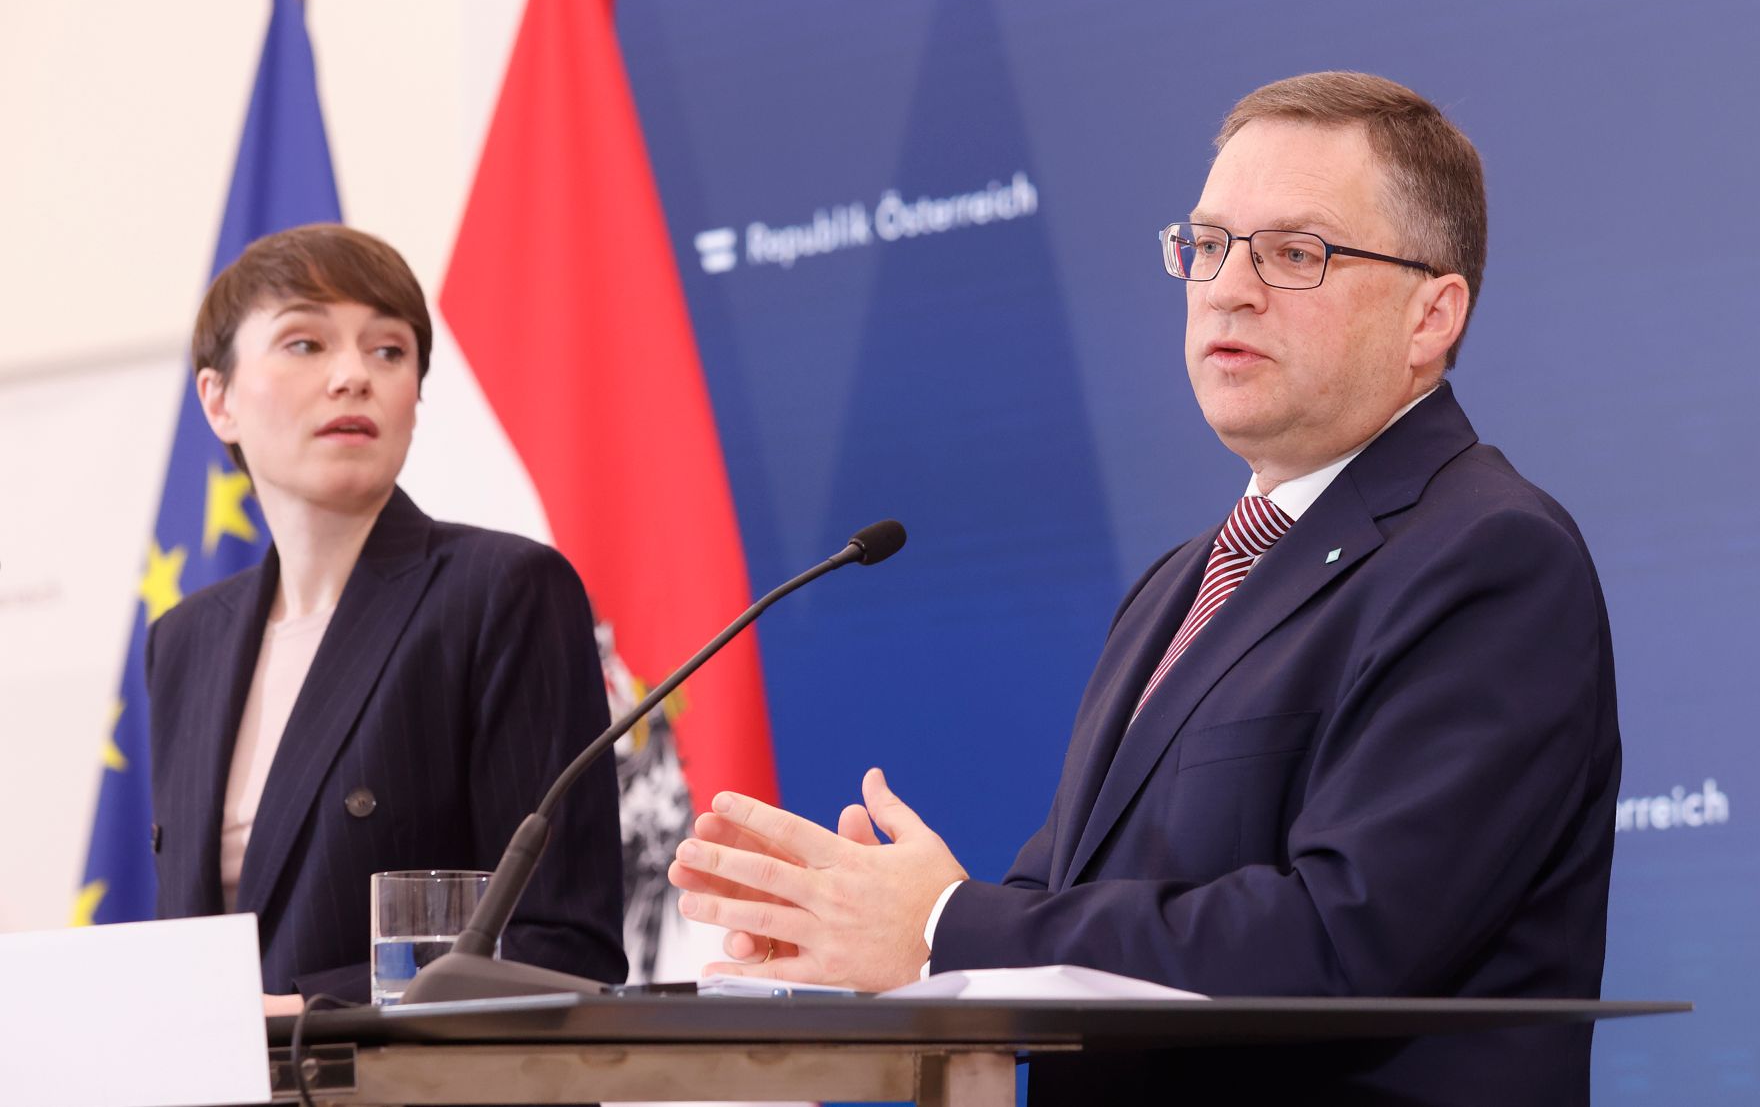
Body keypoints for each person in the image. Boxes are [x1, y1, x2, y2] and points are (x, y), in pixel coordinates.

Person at [668, 71, 1620, 1103]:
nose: (1227, 288)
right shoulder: (1179, 583)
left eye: (1292, 254)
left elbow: (1344, 932)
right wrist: (864, 934)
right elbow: (1060, 902)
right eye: (1206, 246)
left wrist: (944, 924)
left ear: (1430, 314)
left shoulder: (1489, 556)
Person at [149, 224, 626, 1012]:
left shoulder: (503, 592)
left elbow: (559, 947)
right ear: (219, 399)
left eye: (389, 351)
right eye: (305, 344)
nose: (352, 377)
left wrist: (306, 1015)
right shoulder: (185, 640)